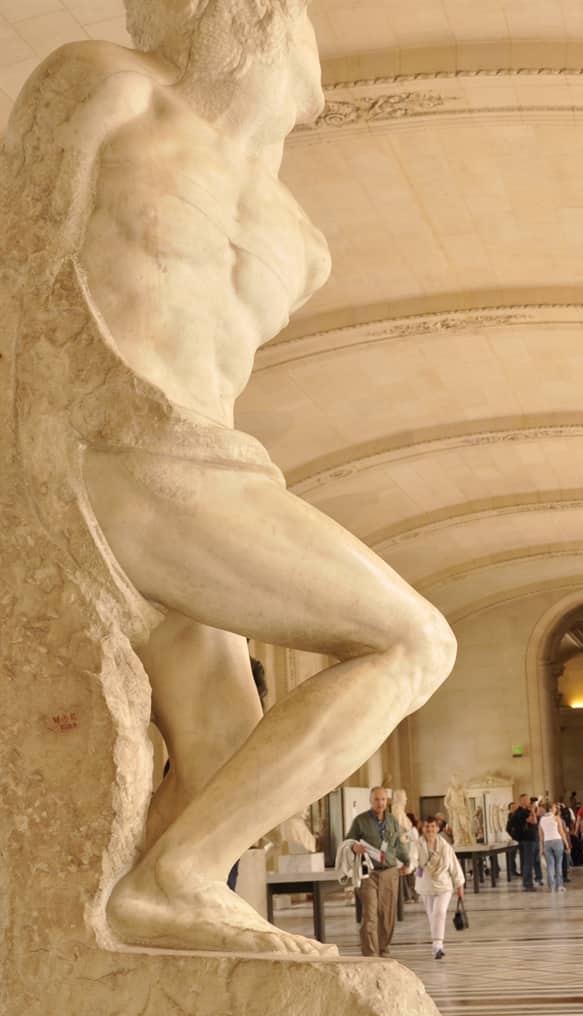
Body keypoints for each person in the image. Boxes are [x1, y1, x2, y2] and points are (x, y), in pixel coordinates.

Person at [1, 0, 456, 957]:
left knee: (221, 746)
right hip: (120, 448)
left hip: (208, 466)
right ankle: (178, 878)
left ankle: (126, 945)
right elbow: (17, 262)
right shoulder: (110, 85)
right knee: (414, 642)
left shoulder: (301, 235)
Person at [347, 787, 412, 957]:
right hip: (368, 873)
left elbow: (398, 844)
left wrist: (406, 861)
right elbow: (348, 842)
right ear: (371, 801)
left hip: (390, 872)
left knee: (387, 915)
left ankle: (383, 949)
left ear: (387, 801)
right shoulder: (360, 821)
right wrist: (354, 847)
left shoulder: (391, 821)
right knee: (370, 914)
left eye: (383, 799)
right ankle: (370, 954)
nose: (380, 803)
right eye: (376, 799)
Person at [414, 817, 465, 960]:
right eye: (426, 827)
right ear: (422, 829)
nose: (429, 829)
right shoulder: (417, 845)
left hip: (444, 885)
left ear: (437, 828)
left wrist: (459, 885)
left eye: (432, 826)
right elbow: (412, 859)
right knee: (432, 915)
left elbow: (454, 866)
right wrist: (409, 866)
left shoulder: (445, 846)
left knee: (439, 912)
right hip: (426, 885)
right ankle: (436, 944)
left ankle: (438, 945)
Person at [538, 802, 570, 892]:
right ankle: (560, 886)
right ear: (552, 809)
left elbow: (541, 836)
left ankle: (551, 886)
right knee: (558, 864)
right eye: (555, 808)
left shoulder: (541, 820)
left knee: (550, 865)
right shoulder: (556, 818)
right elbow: (561, 831)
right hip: (557, 841)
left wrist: (541, 848)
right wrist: (566, 843)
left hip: (547, 843)